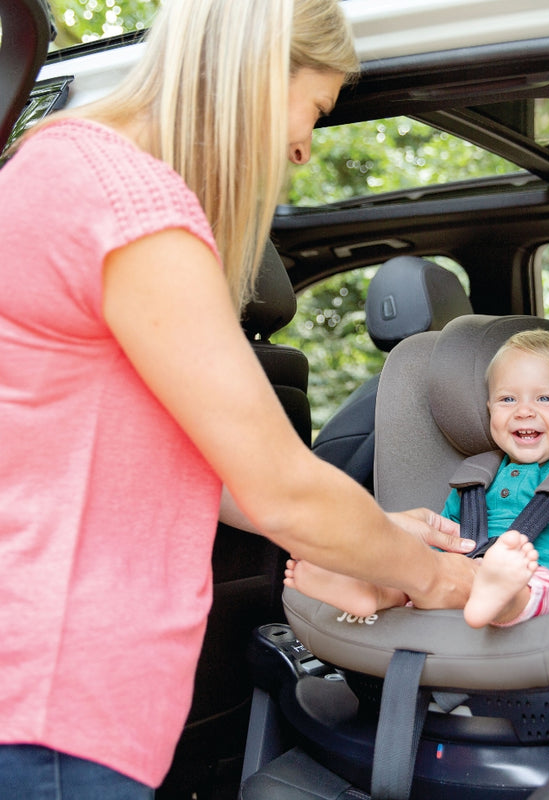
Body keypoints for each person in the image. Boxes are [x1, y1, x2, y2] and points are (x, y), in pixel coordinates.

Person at [0, 1, 476, 797]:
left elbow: (185, 468)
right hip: (53, 700)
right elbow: (282, 488)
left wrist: (375, 533)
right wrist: (445, 583)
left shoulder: (63, 171)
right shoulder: (131, 205)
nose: (304, 146)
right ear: (258, 71)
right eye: (315, 108)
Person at [285, 329, 549, 627]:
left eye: (545, 398)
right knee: (417, 570)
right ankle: (372, 592)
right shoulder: (474, 480)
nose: (524, 411)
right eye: (507, 399)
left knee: (516, 587)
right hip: (466, 573)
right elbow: (445, 543)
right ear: (490, 411)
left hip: (545, 583)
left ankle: (499, 594)